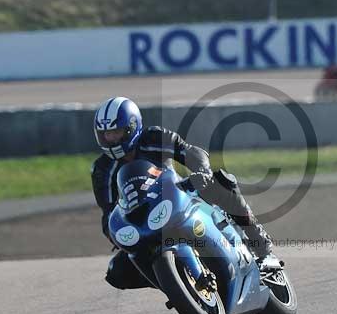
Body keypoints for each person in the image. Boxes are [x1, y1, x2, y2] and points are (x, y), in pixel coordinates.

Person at [91, 96, 282, 290]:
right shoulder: (102, 170)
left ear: (132, 126)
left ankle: (262, 248)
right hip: (143, 224)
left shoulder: (154, 138)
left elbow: (190, 152)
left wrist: (202, 172)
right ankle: (177, 286)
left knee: (223, 182)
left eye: (116, 132)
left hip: (179, 197)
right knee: (117, 272)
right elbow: (108, 210)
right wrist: (114, 233)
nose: (111, 139)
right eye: (106, 134)